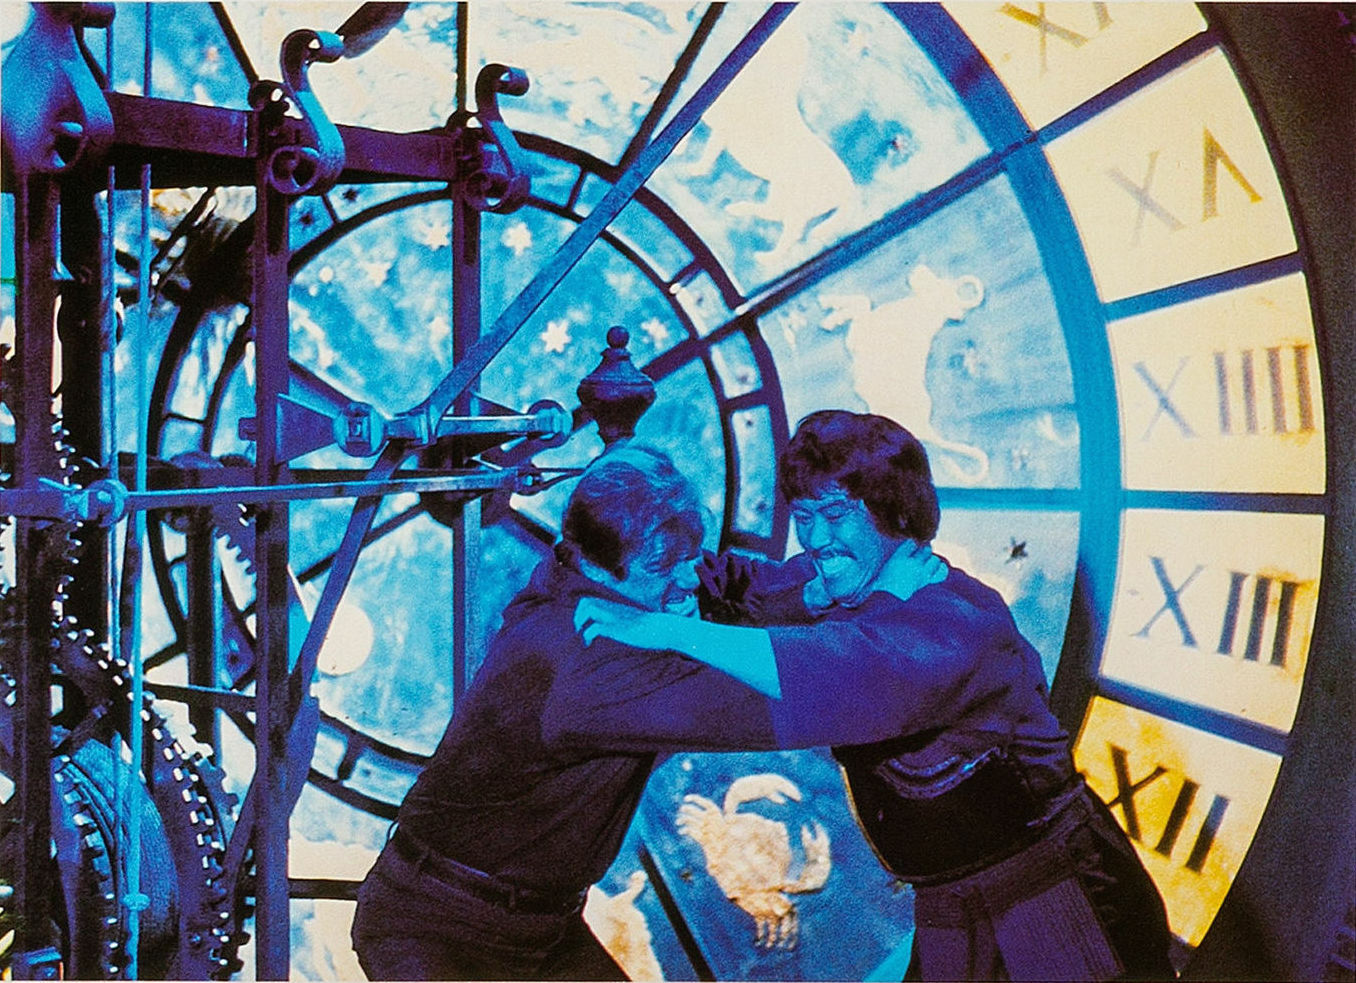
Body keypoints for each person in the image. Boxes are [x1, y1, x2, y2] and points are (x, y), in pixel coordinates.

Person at [571, 410, 1177, 982]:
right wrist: (651, 556)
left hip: (1055, 905)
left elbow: (838, 669)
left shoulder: (959, 625)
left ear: (895, 513)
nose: (816, 538)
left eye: (836, 514)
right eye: (804, 516)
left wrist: (664, 629)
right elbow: (745, 588)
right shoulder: (842, 585)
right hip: (953, 906)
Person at [350, 445, 729, 980]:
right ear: (602, 569)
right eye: (664, 566)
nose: (689, 580)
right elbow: (763, 705)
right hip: (436, 929)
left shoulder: (570, 585)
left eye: (690, 559)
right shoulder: (586, 661)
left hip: (540, 931)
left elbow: (715, 586)